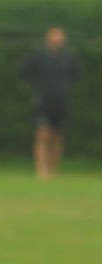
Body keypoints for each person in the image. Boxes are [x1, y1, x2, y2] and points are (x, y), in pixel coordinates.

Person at [19, 27, 81, 181]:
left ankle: (54, 170)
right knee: (42, 134)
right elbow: (22, 71)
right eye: (54, 35)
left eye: (60, 36)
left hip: (61, 100)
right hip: (43, 100)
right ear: (48, 38)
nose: (57, 39)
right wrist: (36, 86)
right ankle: (41, 170)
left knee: (58, 135)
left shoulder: (69, 57)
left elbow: (76, 75)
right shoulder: (38, 56)